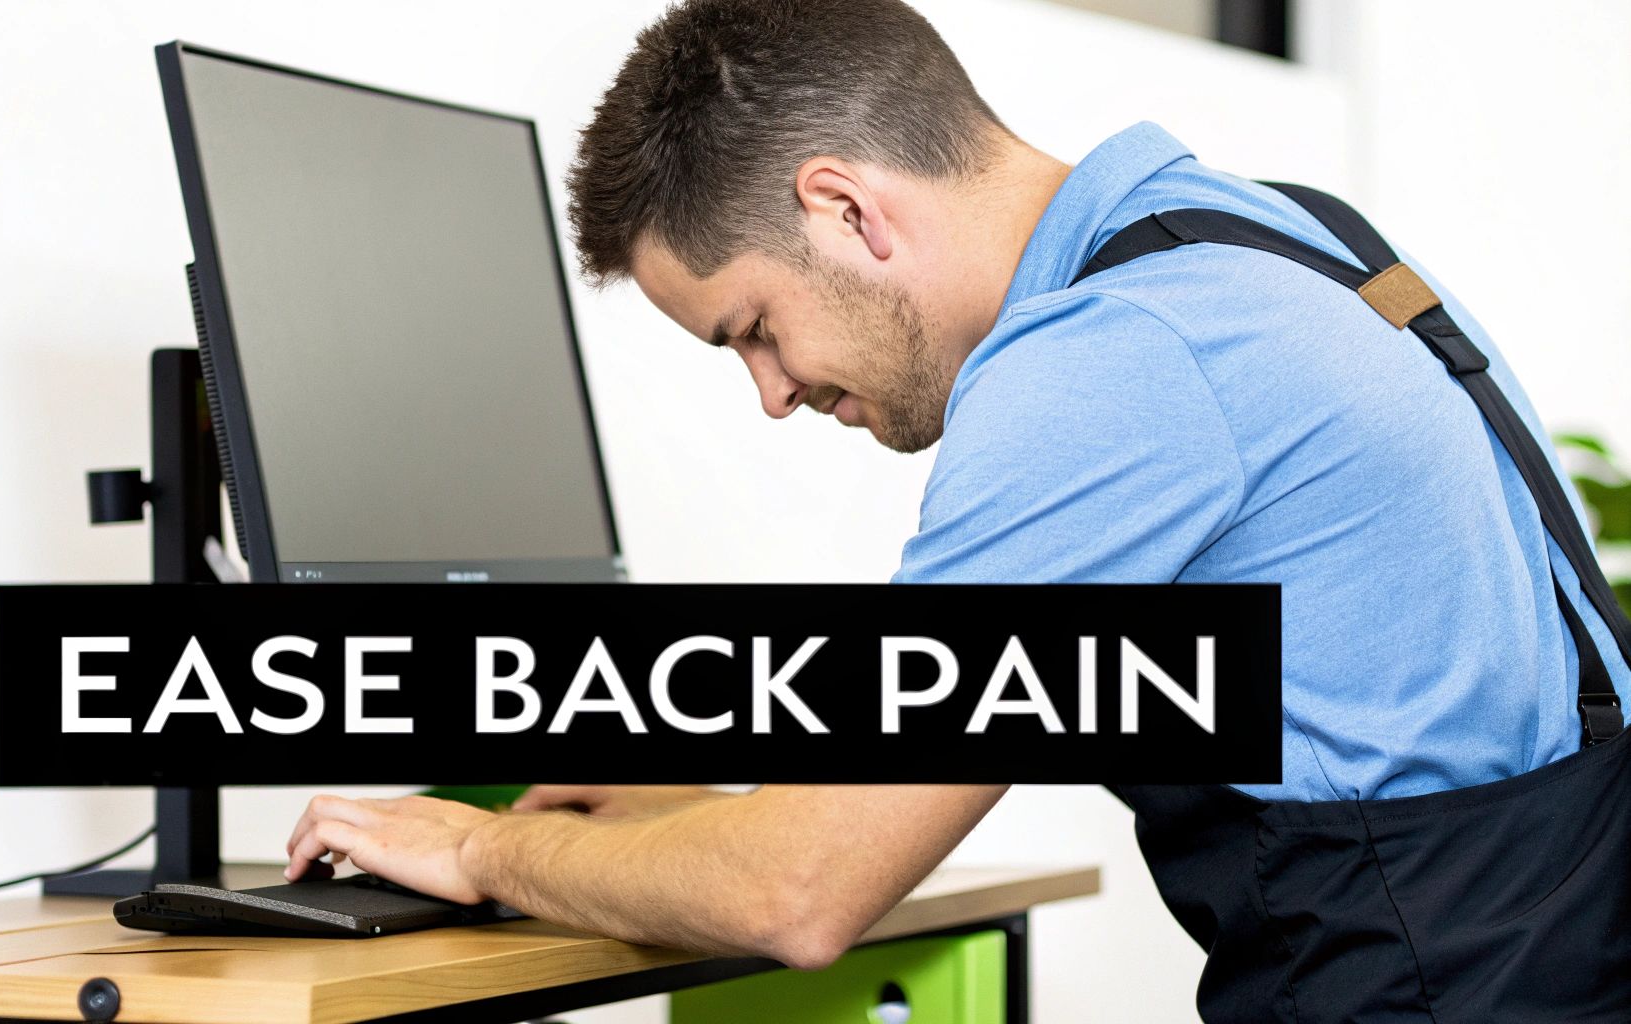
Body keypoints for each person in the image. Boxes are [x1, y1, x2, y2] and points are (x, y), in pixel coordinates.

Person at [284, 0, 1631, 1017]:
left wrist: (477, 847)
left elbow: (802, 896)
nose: (771, 391)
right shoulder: (1271, 239)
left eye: (752, 328)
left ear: (846, 209)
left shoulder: (1108, 364)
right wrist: (700, 820)